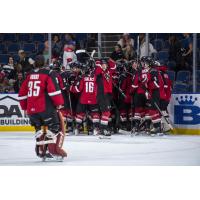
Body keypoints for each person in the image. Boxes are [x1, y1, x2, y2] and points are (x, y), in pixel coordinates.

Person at [18, 55, 67, 160]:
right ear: (45, 63)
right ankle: (55, 152)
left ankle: (41, 151)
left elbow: (22, 94)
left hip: (32, 111)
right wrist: (59, 103)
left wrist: (24, 107)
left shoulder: (29, 75)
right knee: (56, 128)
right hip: (46, 109)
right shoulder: (49, 74)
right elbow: (54, 91)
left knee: (41, 129)